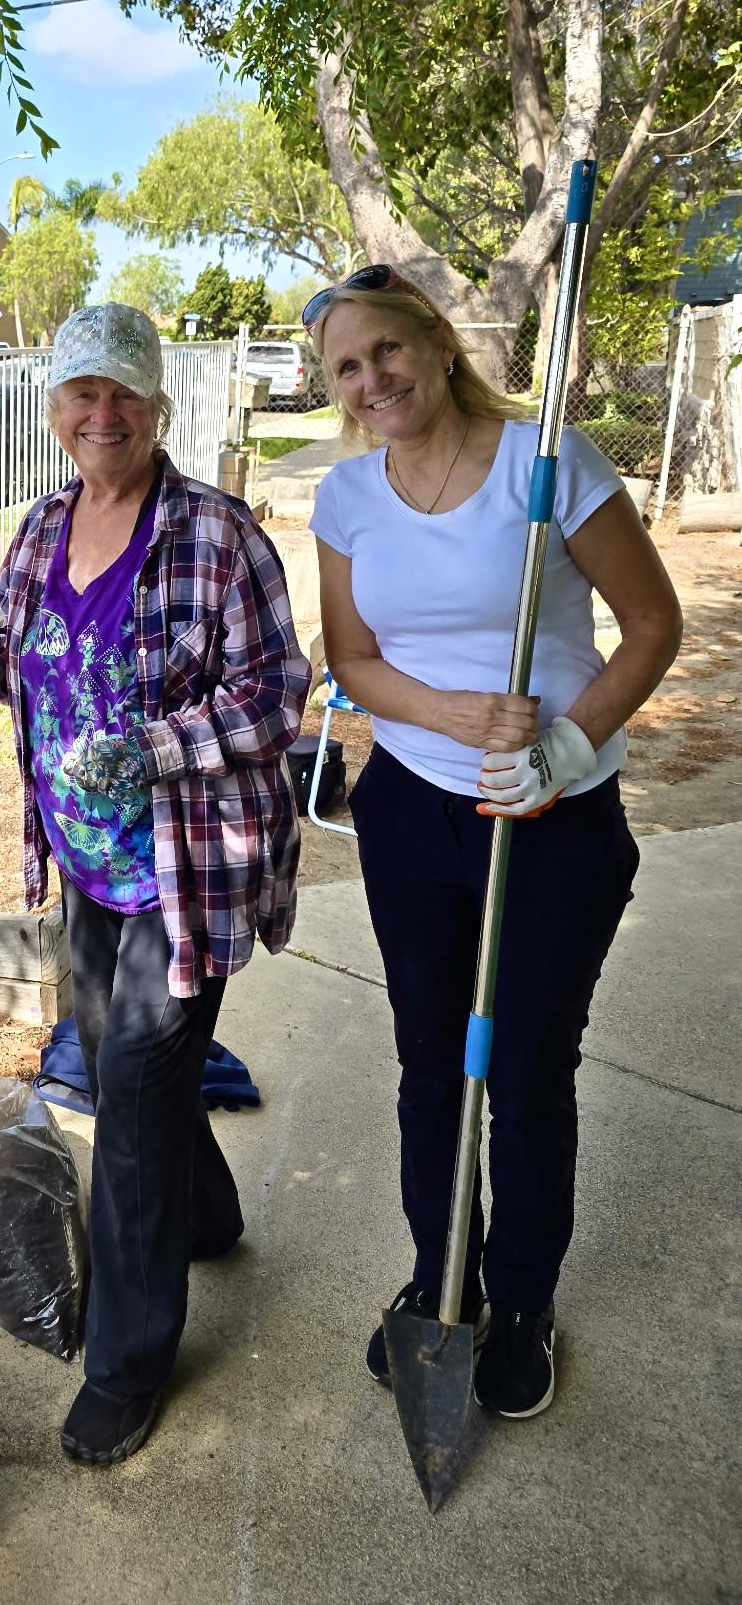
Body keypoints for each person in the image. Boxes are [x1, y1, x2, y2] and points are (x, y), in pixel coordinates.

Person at [0, 302, 309, 1465]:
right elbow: (37, 679)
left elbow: (280, 693)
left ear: (158, 407)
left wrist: (160, 744)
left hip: (190, 871)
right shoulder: (39, 530)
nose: (103, 414)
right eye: (82, 394)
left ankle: (127, 1364)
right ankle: (212, 1215)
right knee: (140, 1074)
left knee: (129, 1103)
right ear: (55, 409)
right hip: (84, 868)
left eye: (124, 394)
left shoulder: (217, 535)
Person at [306, 264, 683, 1418]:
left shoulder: (548, 465)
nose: (374, 381)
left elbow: (655, 624)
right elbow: (355, 660)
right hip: (416, 811)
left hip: (554, 820)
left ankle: (522, 1294)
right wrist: (457, 715)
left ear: (434, 340)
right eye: (346, 369)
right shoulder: (347, 497)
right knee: (432, 1065)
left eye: (388, 351)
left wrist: (566, 746)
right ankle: (441, 1271)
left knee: (522, 1069)